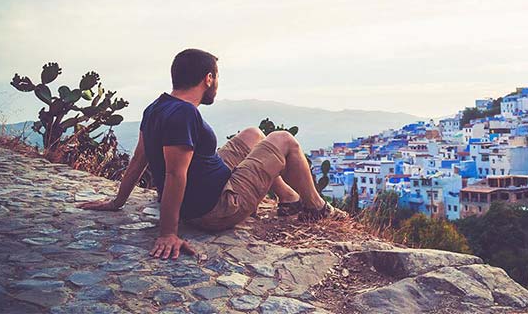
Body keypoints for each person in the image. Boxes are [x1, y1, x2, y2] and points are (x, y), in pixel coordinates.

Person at [79, 48, 346, 260]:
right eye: (216, 78)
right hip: (216, 209)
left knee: (253, 134)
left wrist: (118, 202)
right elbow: (174, 174)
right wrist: (168, 233)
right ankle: (317, 208)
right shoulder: (184, 114)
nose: (216, 84)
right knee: (284, 139)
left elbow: (139, 159)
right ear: (208, 78)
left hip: (208, 188)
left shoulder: (156, 107)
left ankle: (288, 198)